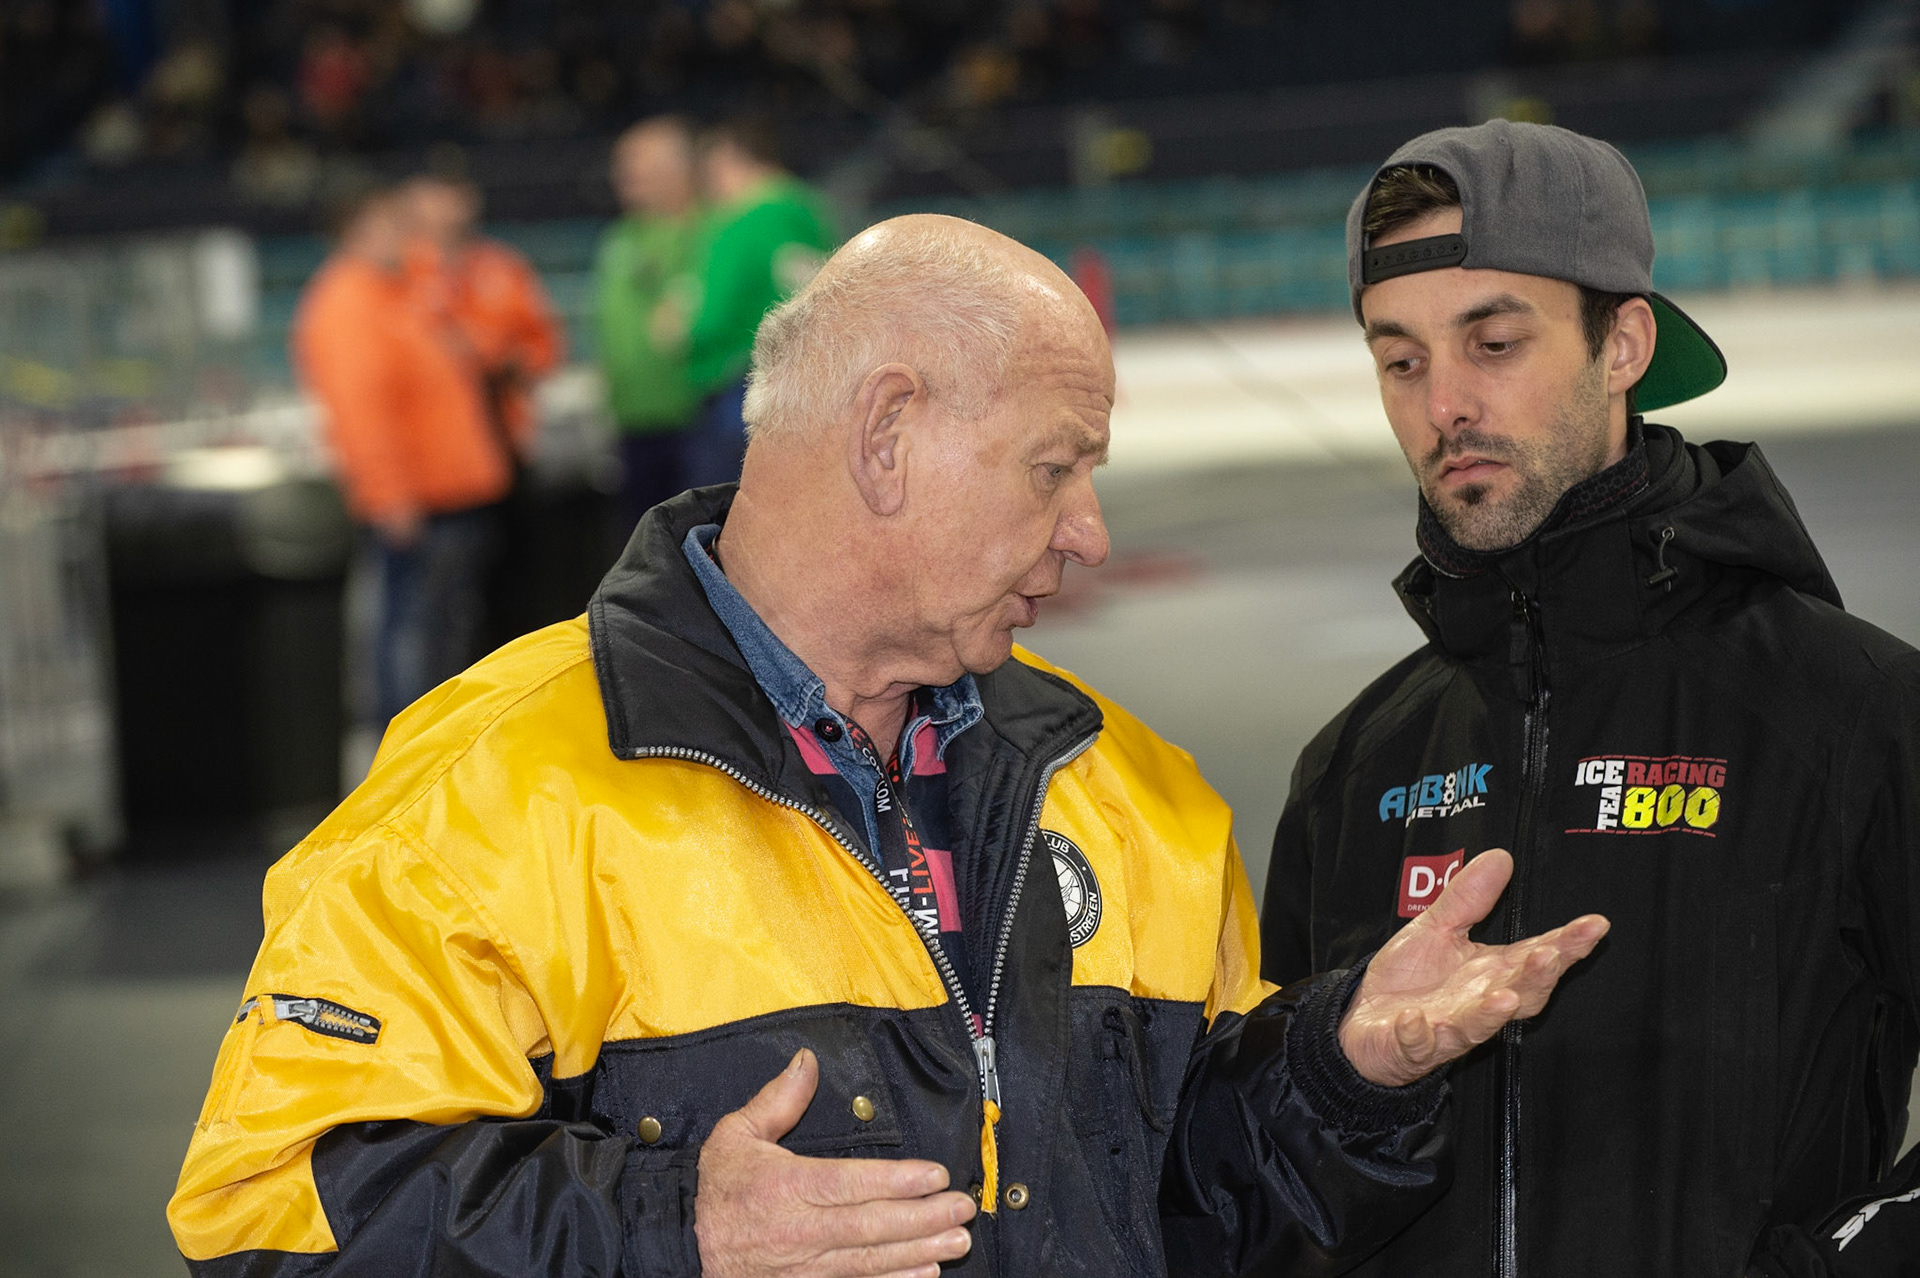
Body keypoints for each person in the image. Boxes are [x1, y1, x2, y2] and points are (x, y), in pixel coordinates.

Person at [171, 214, 1609, 1277]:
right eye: (1058, 466)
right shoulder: (486, 791)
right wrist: (670, 1231)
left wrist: (1344, 1068)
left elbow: (1200, 1209)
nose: (1090, 531)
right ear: (886, 436)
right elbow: (264, 1214)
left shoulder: (1136, 796)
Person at [1258, 120, 1920, 1278]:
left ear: (1623, 345)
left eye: (1496, 342)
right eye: (1400, 360)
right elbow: (1268, 1164)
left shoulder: (1852, 709)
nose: (1444, 405)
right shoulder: (1353, 767)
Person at [291, 184, 508, 731]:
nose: (408, 238)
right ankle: (413, 763)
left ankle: (444, 749)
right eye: (393, 225)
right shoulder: (347, 302)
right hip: (421, 503)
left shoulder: (405, 289)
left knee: (443, 635)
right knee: (413, 643)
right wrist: (388, 496)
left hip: (455, 492)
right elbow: (359, 413)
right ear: (356, 229)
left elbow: (481, 344)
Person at [667, 115, 835, 487]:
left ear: (728, 158)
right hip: (805, 383)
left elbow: (705, 320)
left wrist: (673, 326)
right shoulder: (807, 210)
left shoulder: (735, 220)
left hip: (737, 389)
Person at [594, 116, 706, 533]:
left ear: (680, 169)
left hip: (693, 421)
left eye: (638, 165)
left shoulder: (708, 232)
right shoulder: (619, 238)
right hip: (632, 422)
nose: (624, 176)